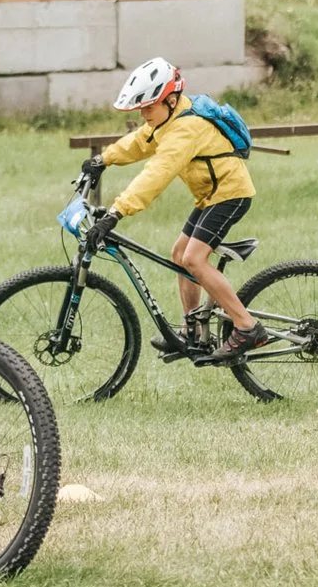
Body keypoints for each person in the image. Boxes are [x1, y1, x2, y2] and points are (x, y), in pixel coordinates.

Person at [84, 57, 267, 362]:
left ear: (170, 99)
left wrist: (117, 212)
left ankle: (247, 327)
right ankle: (192, 330)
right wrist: (103, 159)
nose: (144, 115)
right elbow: (140, 142)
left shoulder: (186, 129)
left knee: (194, 259)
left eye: (148, 107)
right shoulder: (167, 119)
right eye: (140, 109)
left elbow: (157, 172)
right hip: (210, 195)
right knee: (179, 255)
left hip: (230, 194)